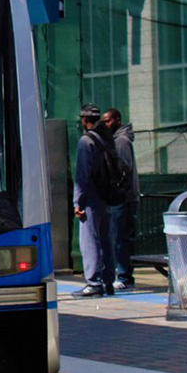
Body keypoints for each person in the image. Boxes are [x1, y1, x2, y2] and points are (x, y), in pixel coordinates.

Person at [72, 104, 116, 297]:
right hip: (107, 195)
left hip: (91, 197)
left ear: (83, 119)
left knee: (89, 240)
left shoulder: (86, 141)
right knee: (106, 240)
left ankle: (93, 282)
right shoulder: (106, 138)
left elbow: (82, 174)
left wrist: (77, 202)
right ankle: (108, 281)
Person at [103, 108, 140, 289]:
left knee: (121, 238)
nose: (106, 124)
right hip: (122, 198)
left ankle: (124, 276)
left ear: (117, 120)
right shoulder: (116, 141)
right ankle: (124, 274)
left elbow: (123, 170)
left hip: (123, 199)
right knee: (119, 237)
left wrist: (118, 193)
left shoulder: (122, 142)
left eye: (108, 120)